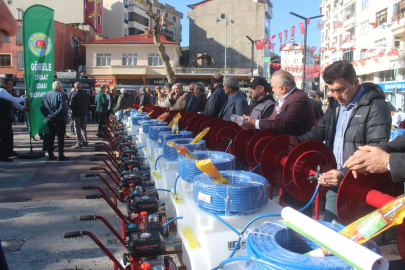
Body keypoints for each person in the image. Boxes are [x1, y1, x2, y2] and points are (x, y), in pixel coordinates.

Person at [297, 60, 391, 222]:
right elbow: (317, 132)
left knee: (355, 240)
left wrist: (343, 173)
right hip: (336, 180)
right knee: (331, 235)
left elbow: (374, 151)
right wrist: (291, 145)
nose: (336, 95)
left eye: (341, 89)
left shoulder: (375, 106)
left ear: (355, 83)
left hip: (360, 184)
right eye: (331, 90)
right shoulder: (335, 105)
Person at [240, 70, 315, 136]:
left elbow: (283, 124)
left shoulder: (299, 98)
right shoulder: (284, 99)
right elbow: (271, 119)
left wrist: (255, 123)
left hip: (295, 146)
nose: (272, 90)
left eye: (273, 87)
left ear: (282, 88)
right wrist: (253, 122)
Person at [0, 78, 28, 162]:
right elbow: (13, 99)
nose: (11, 87)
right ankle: (2, 155)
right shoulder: (2, 91)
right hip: (1, 118)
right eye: (10, 85)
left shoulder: (5, 92)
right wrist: (24, 99)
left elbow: (13, 103)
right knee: (3, 137)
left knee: (9, 136)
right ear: (4, 84)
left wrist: (23, 108)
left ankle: (9, 152)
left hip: (6, 117)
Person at [40, 81, 69, 161]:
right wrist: (53, 116)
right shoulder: (61, 95)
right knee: (60, 137)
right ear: (60, 87)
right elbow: (62, 108)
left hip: (50, 120)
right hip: (60, 119)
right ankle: (60, 155)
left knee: (51, 137)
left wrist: (49, 116)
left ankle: (50, 154)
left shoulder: (46, 95)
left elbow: (42, 108)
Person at [70, 82, 90, 149]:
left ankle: (79, 143)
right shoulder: (85, 94)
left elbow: (71, 105)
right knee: (83, 128)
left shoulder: (74, 94)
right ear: (81, 87)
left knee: (77, 128)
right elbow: (88, 104)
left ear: (75, 87)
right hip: (84, 113)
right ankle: (85, 141)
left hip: (76, 113)